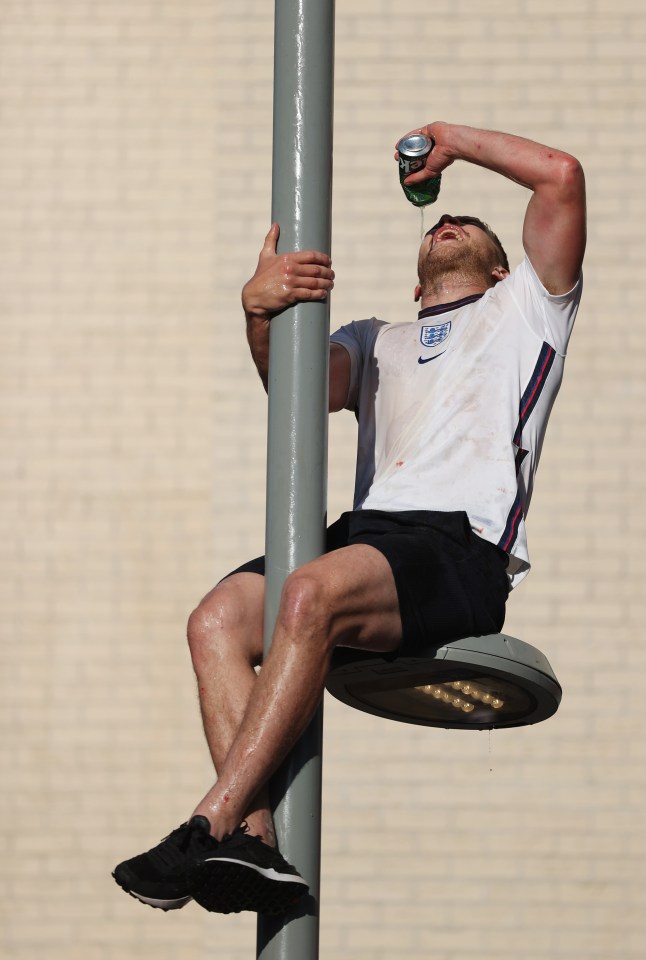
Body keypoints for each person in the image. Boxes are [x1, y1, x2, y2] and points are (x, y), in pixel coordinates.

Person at [112, 121, 586, 915]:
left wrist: (448, 142)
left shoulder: (528, 308)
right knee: (215, 620)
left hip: (458, 546)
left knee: (307, 596)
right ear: (413, 282)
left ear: (505, 265)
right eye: (438, 223)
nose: (448, 223)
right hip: (368, 539)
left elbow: (560, 175)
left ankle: (207, 823)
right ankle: (252, 845)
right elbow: (293, 389)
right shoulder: (376, 338)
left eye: (470, 225)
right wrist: (259, 316)